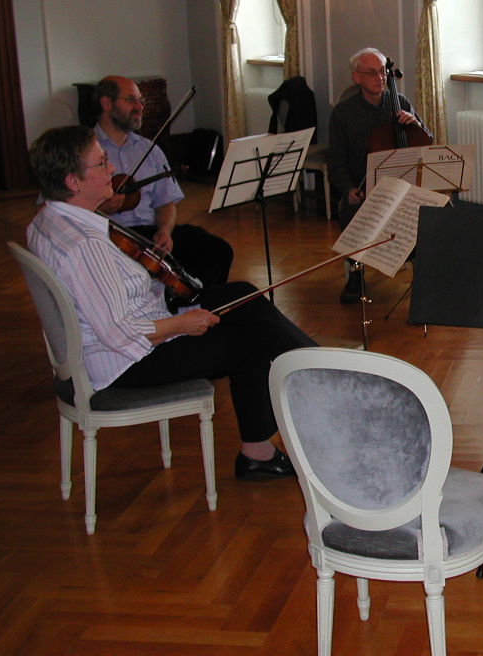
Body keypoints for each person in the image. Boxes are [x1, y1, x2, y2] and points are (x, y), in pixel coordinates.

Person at [27, 125, 317, 479]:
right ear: (73, 181)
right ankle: (267, 442)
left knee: (243, 295)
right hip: (126, 361)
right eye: (101, 163)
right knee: (251, 341)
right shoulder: (85, 246)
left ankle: (320, 367)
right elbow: (120, 335)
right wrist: (183, 323)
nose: (112, 169)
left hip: (124, 338)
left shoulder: (47, 220)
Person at [93, 75, 233, 292]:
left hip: (150, 233)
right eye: (131, 100)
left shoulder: (149, 150)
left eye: (141, 101)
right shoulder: (83, 150)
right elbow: (57, 209)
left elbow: (166, 203)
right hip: (108, 237)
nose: (139, 107)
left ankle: (198, 305)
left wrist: (165, 231)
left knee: (217, 250)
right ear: (106, 103)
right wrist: (100, 209)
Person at [326, 47, 428, 303]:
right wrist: (349, 188)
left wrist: (415, 124)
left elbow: (427, 141)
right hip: (364, 188)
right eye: (371, 73)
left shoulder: (400, 102)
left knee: (429, 208)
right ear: (356, 77)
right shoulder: (343, 113)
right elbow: (335, 161)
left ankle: (423, 272)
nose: (380, 77)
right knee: (351, 209)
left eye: (382, 71)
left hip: (401, 185)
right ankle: (356, 275)